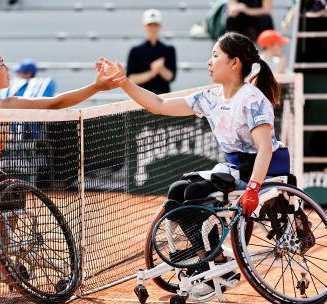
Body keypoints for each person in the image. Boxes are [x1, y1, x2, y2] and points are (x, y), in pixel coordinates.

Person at [98, 31, 289, 299]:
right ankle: (209, 258)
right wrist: (123, 82)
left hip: (263, 168)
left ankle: (217, 263)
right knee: (177, 190)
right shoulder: (211, 98)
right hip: (235, 168)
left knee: (193, 194)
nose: (209, 62)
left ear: (234, 62)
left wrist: (254, 189)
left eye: (215, 56)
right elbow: (159, 104)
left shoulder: (252, 99)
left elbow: (265, 149)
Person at [0, 46, 125, 230]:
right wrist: (96, 87)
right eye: (2, 64)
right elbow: (55, 103)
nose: (7, 69)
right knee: (12, 193)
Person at [126, 9, 177, 94]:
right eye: (150, 25)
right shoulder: (135, 50)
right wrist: (152, 73)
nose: (153, 28)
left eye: (155, 25)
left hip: (163, 98)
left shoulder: (169, 49)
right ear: (144, 26)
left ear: (160, 26)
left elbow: (171, 77)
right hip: (141, 98)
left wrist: (161, 68)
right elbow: (131, 79)